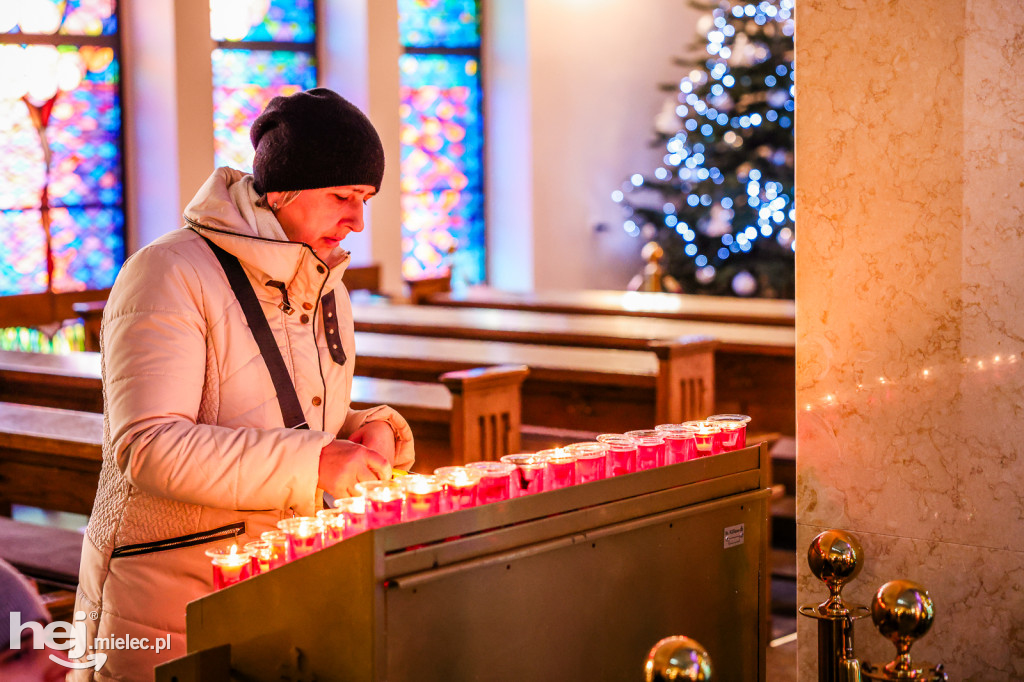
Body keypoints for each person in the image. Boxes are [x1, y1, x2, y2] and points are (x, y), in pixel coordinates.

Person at [72, 88, 415, 680]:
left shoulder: (321, 277)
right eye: (343, 196)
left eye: (365, 200)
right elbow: (147, 445)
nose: (358, 219)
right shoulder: (170, 272)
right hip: (170, 594)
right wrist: (317, 463)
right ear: (282, 190)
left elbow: (286, 413)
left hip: (280, 574)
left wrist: (367, 430)